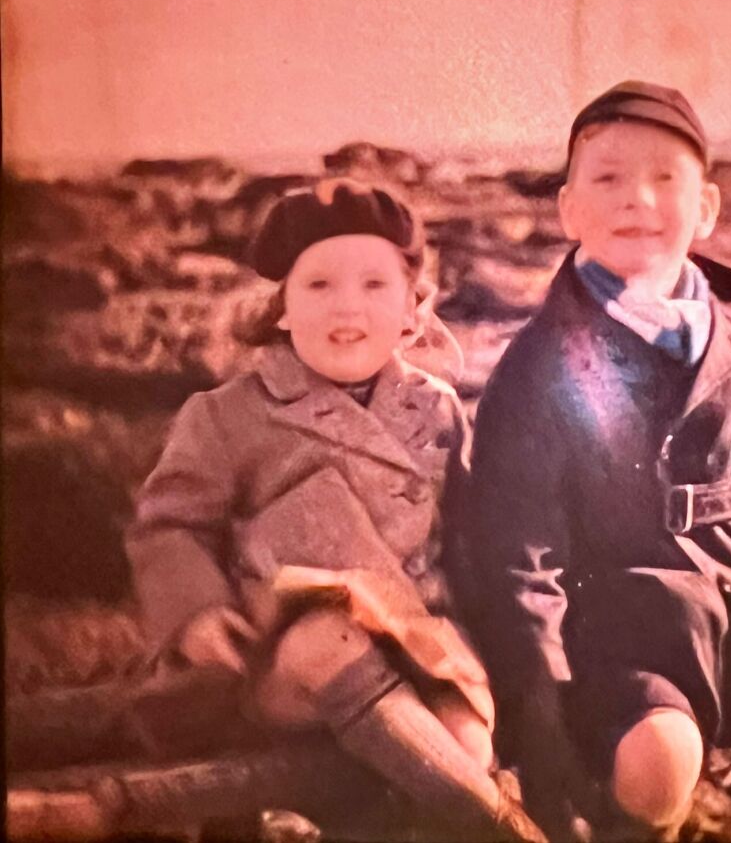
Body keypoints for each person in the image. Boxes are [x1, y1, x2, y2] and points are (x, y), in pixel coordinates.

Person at [457, 82, 731, 842]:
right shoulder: (538, 366)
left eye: (665, 179)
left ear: (707, 208)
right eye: (609, 179)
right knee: (658, 765)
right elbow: (517, 552)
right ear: (568, 211)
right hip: (616, 614)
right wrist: (540, 698)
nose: (637, 200)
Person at [126, 177, 544, 843]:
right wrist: (197, 613)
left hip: (417, 643)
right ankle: (506, 833)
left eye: (374, 286)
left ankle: (434, 816)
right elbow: (169, 524)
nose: (346, 306)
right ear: (282, 309)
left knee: (467, 741)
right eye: (318, 286)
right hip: (273, 667)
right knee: (330, 639)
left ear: (412, 310)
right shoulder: (231, 413)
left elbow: (473, 536)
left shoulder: (434, 407)